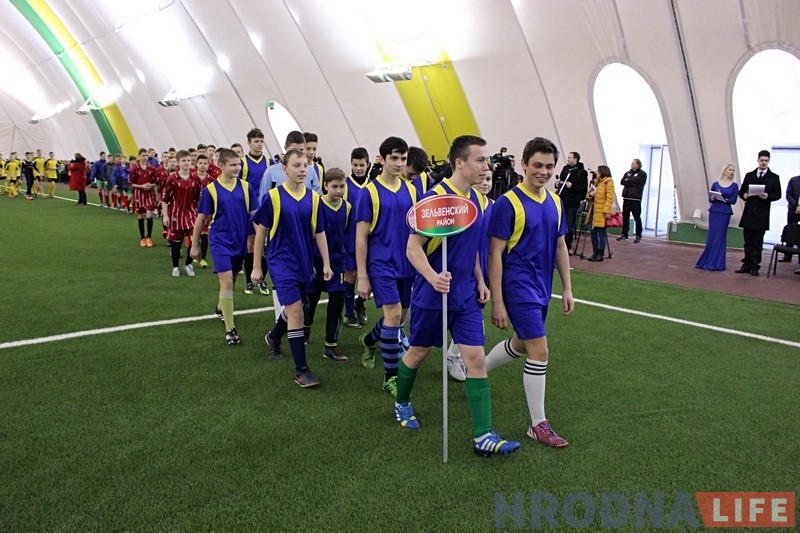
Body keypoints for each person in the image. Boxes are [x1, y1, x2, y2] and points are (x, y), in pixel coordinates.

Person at [393, 135, 519, 456]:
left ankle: (483, 436)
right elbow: (412, 248)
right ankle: (402, 402)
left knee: (475, 358)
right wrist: (433, 277)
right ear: (459, 163)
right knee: (418, 353)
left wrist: (480, 280)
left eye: (487, 160)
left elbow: (472, 247)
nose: (487, 166)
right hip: (432, 295)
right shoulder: (434, 200)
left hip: (465, 296)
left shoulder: (476, 200)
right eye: (480, 160)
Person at [485, 137, 575, 448]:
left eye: (549, 166)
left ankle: (477, 370)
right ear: (523, 164)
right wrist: (498, 301)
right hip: (517, 286)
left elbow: (560, 245)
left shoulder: (556, 202)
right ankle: (538, 424)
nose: (543, 172)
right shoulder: (507, 203)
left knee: (523, 344)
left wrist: (567, 288)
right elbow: (494, 253)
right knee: (540, 350)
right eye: (537, 165)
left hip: (542, 286)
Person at [251, 149, 332, 388]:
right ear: (284, 169)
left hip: (304, 261)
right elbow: (261, 232)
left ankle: (274, 336)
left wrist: (326, 263)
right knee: (297, 311)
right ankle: (302, 370)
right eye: (296, 165)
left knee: (298, 306)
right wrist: (257, 267)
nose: (302, 169)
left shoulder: (314, 198)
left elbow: (320, 232)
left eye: (305, 165)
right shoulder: (274, 197)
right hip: (280, 261)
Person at [356, 136, 418, 396]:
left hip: (407, 263)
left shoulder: (412, 190)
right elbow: (361, 237)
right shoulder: (368, 192)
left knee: (401, 317)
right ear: (381, 159)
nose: (399, 163)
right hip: (380, 264)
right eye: (394, 158)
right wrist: (362, 276)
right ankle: (391, 377)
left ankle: (369, 340)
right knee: (393, 316)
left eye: (403, 158)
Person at [190, 148, 259, 345]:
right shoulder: (211, 190)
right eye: (233, 165)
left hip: (239, 241)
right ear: (221, 166)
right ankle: (230, 329)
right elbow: (201, 218)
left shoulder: (246, 187)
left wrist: (261, 238)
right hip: (220, 241)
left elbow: (255, 215)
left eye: (239, 164)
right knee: (227, 282)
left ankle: (221, 307)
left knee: (233, 279)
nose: (237, 168)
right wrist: (195, 245)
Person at [446, 163, 493, 382]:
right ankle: (453, 355)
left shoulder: (493, 206)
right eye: (483, 179)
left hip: (482, 264)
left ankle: (456, 354)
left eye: (489, 180)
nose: (485, 183)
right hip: (463, 266)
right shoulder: (462, 202)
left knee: (474, 310)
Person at [303, 168, 351, 362]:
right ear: (325, 186)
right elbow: (309, 234)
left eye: (342, 186)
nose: (339, 190)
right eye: (334, 186)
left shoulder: (347, 207)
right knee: (310, 300)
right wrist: (310, 261)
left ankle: (331, 346)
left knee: (337, 303)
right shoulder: (316, 204)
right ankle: (304, 332)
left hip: (338, 263)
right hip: (316, 260)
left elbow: (346, 233)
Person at [736, 150, 782, 276]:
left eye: (766, 161)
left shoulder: (774, 177)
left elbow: (778, 194)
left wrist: (767, 196)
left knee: (757, 242)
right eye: (762, 160)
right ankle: (746, 264)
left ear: (769, 161)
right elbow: (742, 191)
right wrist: (744, 195)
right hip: (749, 212)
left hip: (762, 213)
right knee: (748, 241)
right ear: (757, 160)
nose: (763, 163)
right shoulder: (749, 175)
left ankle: (755, 266)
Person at [240, 128, 271, 296]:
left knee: (266, 245)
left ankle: (262, 278)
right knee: (251, 244)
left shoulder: (269, 162)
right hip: (249, 210)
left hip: (266, 209)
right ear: (249, 143)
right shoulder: (243, 163)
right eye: (256, 141)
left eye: (261, 141)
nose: (259, 144)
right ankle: (249, 281)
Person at [342, 147, 370, 328]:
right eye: (355, 165)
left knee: (371, 275)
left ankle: (359, 304)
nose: (358, 168)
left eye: (361, 165)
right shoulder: (345, 186)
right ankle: (349, 313)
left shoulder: (373, 185)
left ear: (368, 165)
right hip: (350, 238)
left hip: (370, 239)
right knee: (351, 274)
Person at [162, 150, 201, 278]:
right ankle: (175, 267)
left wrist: (201, 214)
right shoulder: (172, 179)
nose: (186, 163)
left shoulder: (195, 178)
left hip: (191, 215)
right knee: (176, 243)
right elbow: (165, 199)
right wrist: (165, 215)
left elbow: (198, 198)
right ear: (178, 163)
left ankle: (188, 264)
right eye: (183, 161)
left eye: (188, 160)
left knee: (194, 240)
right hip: (176, 215)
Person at [695, 164, 739, 271]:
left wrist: (724, 199)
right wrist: (714, 198)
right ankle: (706, 260)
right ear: (725, 170)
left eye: (733, 170)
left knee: (720, 237)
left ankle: (717, 263)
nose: (732, 172)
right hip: (714, 211)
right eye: (730, 169)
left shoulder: (734, 186)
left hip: (724, 213)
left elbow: (733, 200)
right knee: (711, 236)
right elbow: (710, 198)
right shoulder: (715, 184)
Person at [556, 151, 588, 252]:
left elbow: (583, 188)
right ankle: (558, 244)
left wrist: (572, 186)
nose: (568, 159)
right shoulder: (565, 169)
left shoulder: (581, 172)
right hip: (562, 199)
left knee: (569, 224)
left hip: (573, 202)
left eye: (570, 157)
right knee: (559, 223)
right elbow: (561, 180)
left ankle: (567, 246)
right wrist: (558, 184)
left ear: (575, 159)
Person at [587, 166, 615, 262]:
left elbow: (610, 198)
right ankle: (595, 252)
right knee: (593, 232)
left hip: (602, 211)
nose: (597, 173)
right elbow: (589, 194)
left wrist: (606, 210)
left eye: (598, 171)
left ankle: (600, 254)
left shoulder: (608, 182)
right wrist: (590, 194)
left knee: (601, 233)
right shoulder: (596, 182)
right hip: (594, 210)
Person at [130, 148, 157, 247]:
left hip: (149, 194)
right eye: (143, 155)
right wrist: (141, 186)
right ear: (139, 156)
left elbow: (155, 182)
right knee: (140, 216)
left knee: (149, 214)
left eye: (146, 156)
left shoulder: (151, 168)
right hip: (138, 194)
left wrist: (150, 185)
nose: (145, 158)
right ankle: (142, 238)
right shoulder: (134, 168)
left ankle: (149, 237)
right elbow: (131, 183)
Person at [617, 159, 647, 243]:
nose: (631, 164)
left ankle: (638, 235)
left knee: (637, 217)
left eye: (633, 163)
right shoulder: (627, 173)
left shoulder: (642, 174)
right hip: (626, 198)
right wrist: (630, 181)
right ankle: (624, 234)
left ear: (638, 165)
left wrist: (628, 181)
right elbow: (622, 181)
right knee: (625, 217)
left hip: (636, 199)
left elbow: (637, 181)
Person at [779, 172, 800, 263]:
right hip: (793, 210)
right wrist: (796, 206)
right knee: (790, 232)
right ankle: (787, 256)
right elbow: (788, 194)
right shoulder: (793, 180)